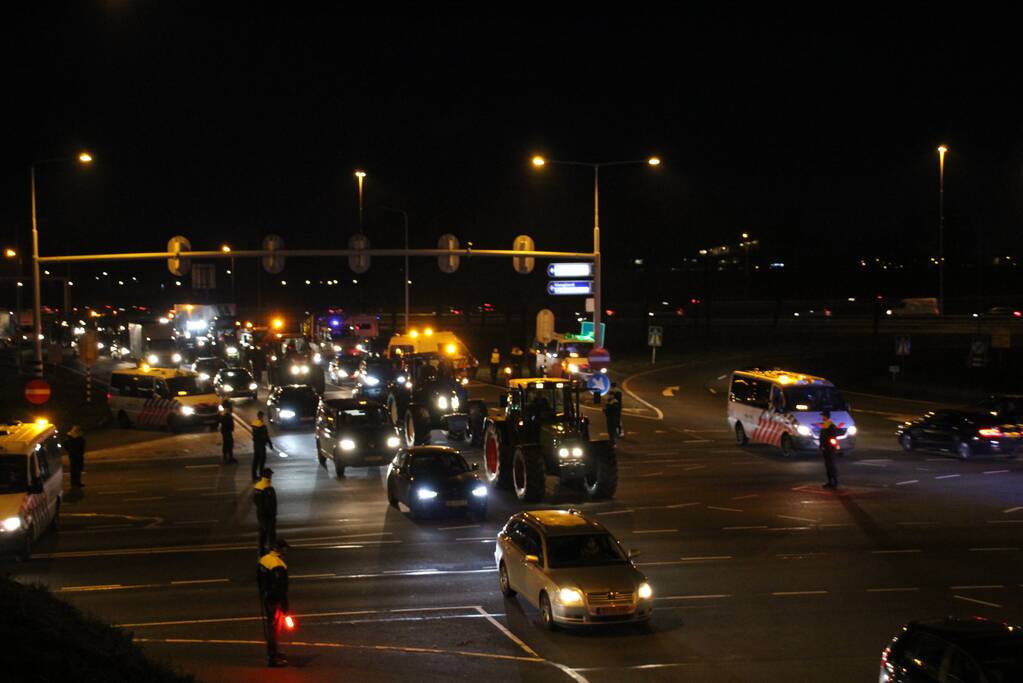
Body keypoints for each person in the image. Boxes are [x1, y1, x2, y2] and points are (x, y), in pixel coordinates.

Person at [257, 538, 290, 668]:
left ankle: (274, 651)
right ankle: (272, 658)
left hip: (266, 597)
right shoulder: (278, 565)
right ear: (278, 549)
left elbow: (260, 579)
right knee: (274, 629)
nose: (286, 550)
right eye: (284, 548)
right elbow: (280, 588)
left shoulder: (264, 560)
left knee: (271, 627)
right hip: (274, 600)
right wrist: (285, 606)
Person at [254, 468, 278, 556]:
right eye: (270, 474)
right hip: (268, 515)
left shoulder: (257, 486)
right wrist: (273, 514)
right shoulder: (268, 487)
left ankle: (261, 549)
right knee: (271, 532)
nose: (271, 476)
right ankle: (272, 550)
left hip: (260, 513)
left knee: (262, 531)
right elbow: (270, 504)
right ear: (267, 475)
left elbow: (255, 500)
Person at [819, 410, 840, 489]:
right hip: (826, 448)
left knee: (831, 465)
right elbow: (823, 437)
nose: (822, 417)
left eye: (823, 416)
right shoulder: (826, 424)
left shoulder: (830, 425)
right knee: (828, 465)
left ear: (825, 416)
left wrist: (831, 447)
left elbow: (832, 438)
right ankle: (830, 481)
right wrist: (822, 445)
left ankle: (834, 482)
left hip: (829, 448)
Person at [251, 411, 274, 481]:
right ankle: (261, 475)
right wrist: (270, 443)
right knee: (262, 461)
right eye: (262, 416)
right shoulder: (262, 425)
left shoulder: (254, 424)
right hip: (261, 445)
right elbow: (265, 436)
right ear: (260, 416)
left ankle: (254, 475)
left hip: (255, 444)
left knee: (255, 460)